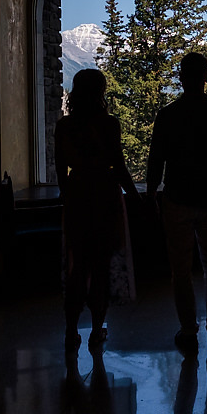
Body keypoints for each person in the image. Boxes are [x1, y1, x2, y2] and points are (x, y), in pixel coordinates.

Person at [147, 52, 207, 354]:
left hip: (176, 199)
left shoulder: (168, 116)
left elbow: (156, 160)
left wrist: (151, 195)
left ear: (181, 77)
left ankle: (188, 329)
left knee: (181, 269)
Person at [56, 68, 140, 352]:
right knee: (101, 266)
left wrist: (68, 196)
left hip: (77, 194)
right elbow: (118, 165)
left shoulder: (64, 127)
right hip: (105, 195)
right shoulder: (109, 124)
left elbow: (59, 169)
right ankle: (96, 330)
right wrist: (135, 196)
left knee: (77, 264)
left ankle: (70, 331)